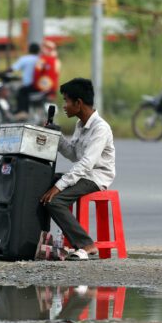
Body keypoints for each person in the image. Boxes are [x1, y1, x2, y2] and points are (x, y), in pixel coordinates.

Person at [39, 78, 115, 262]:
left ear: (78, 103)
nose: (64, 106)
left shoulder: (100, 129)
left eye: (66, 101)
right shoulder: (80, 125)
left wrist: (59, 186)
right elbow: (73, 154)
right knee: (41, 183)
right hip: (83, 174)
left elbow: (86, 164)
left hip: (96, 177)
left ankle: (86, 245)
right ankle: (41, 239)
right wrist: (55, 136)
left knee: (54, 201)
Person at [9, 43, 41, 119]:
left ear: (29, 50)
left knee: (21, 91)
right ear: (38, 51)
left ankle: (23, 112)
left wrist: (2, 72)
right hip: (41, 86)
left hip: (31, 86)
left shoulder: (25, 59)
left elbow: (12, 69)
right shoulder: (41, 59)